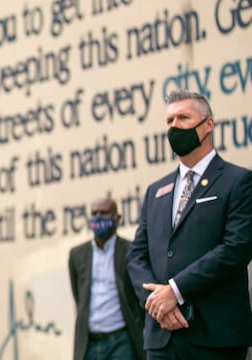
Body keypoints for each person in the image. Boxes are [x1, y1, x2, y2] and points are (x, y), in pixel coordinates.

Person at [127, 89, 252, 359]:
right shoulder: (156, 191)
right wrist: (157, 302)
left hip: (215, 337)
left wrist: (176, 290)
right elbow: (136, 256)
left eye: (183, 118)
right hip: (162, 338)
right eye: (169, 121)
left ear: (208, 124)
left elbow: (236, 249)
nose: (175, 127)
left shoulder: (238, 181)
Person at [68, 197, 144, 360]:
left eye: (104, 213)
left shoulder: (130, 251)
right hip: (89, 342)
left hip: (121, 340)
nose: (98, 218)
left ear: (117, 218)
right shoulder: (77, 255)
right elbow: (78, 295)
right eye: (94, 213)